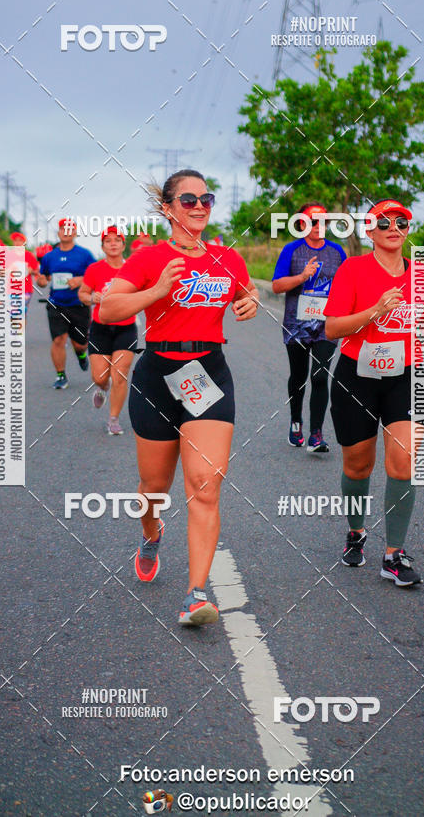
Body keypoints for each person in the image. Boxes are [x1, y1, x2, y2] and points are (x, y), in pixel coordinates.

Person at [99, 169, 258, 626]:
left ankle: (196, 594)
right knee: (153, 488)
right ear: (168, 208)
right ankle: (151, 534)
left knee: (205, 484)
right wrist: (156, 291)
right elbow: (108, 308)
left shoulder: (227, 257)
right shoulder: (150, 258)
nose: (200, 206)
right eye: (189, 200)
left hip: (207, 373)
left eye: (206, 198)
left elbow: (246, 292)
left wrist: (248, 302)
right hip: (157, 375)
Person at [324, 199, 424, 587]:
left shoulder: (421, 275)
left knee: (403, 461)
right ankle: (356, 532)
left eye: (401, 222)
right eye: (384, 222)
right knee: (357, 466)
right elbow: (332, 328)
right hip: (357, 376)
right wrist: (376, 311)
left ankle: (394, 555)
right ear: (370, 231)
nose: (393, 227)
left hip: (405, 376)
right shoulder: (353, 269)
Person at [272, 203, 346, 453]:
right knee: (299, 376)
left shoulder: (337, 251)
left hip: (327, 324)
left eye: (324, 221)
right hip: (297, 324)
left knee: (320, 376)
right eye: (313, 221)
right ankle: (296, 422)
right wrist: (302, 277)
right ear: (301, 223)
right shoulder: (292, 250)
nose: (319, 226)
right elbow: (277, 286)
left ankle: (316, 434)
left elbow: (348, 284)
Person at [79, 226, 137, 435]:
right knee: (100, 376)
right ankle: (102, 387)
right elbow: (83, 294)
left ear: (123, 245)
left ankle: (113, 419)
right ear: (103, 246)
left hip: (126, 328)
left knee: (119, 375)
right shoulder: (94, 269)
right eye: (108, 241)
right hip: (100, 329)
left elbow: (145, 292)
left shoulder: (133, 268)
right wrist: (91, 297)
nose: (113, 244)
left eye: (117, 240)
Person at [36, 218, 95, 389]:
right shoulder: (49, 256)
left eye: (70, 229)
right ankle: (61, 375)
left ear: (75, 233)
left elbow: (97, 275)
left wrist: (80, 280)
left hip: (79, 304)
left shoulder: (85, 254)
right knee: (58, 340)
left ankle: (81, 355)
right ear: (58, 232)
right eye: (63, 229)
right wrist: (41, 281)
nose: (66, 232)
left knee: (80, 344)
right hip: (56, 304)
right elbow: (43, 277)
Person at [10, 231, 40, 322]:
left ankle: (19, 329)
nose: (17, 243)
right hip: (11, 289)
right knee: (13, 314)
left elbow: (37, 271)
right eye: (15, 240)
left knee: (21, 312)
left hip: (26, 289)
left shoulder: (29, 255)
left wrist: (31, 271)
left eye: (20, 240)